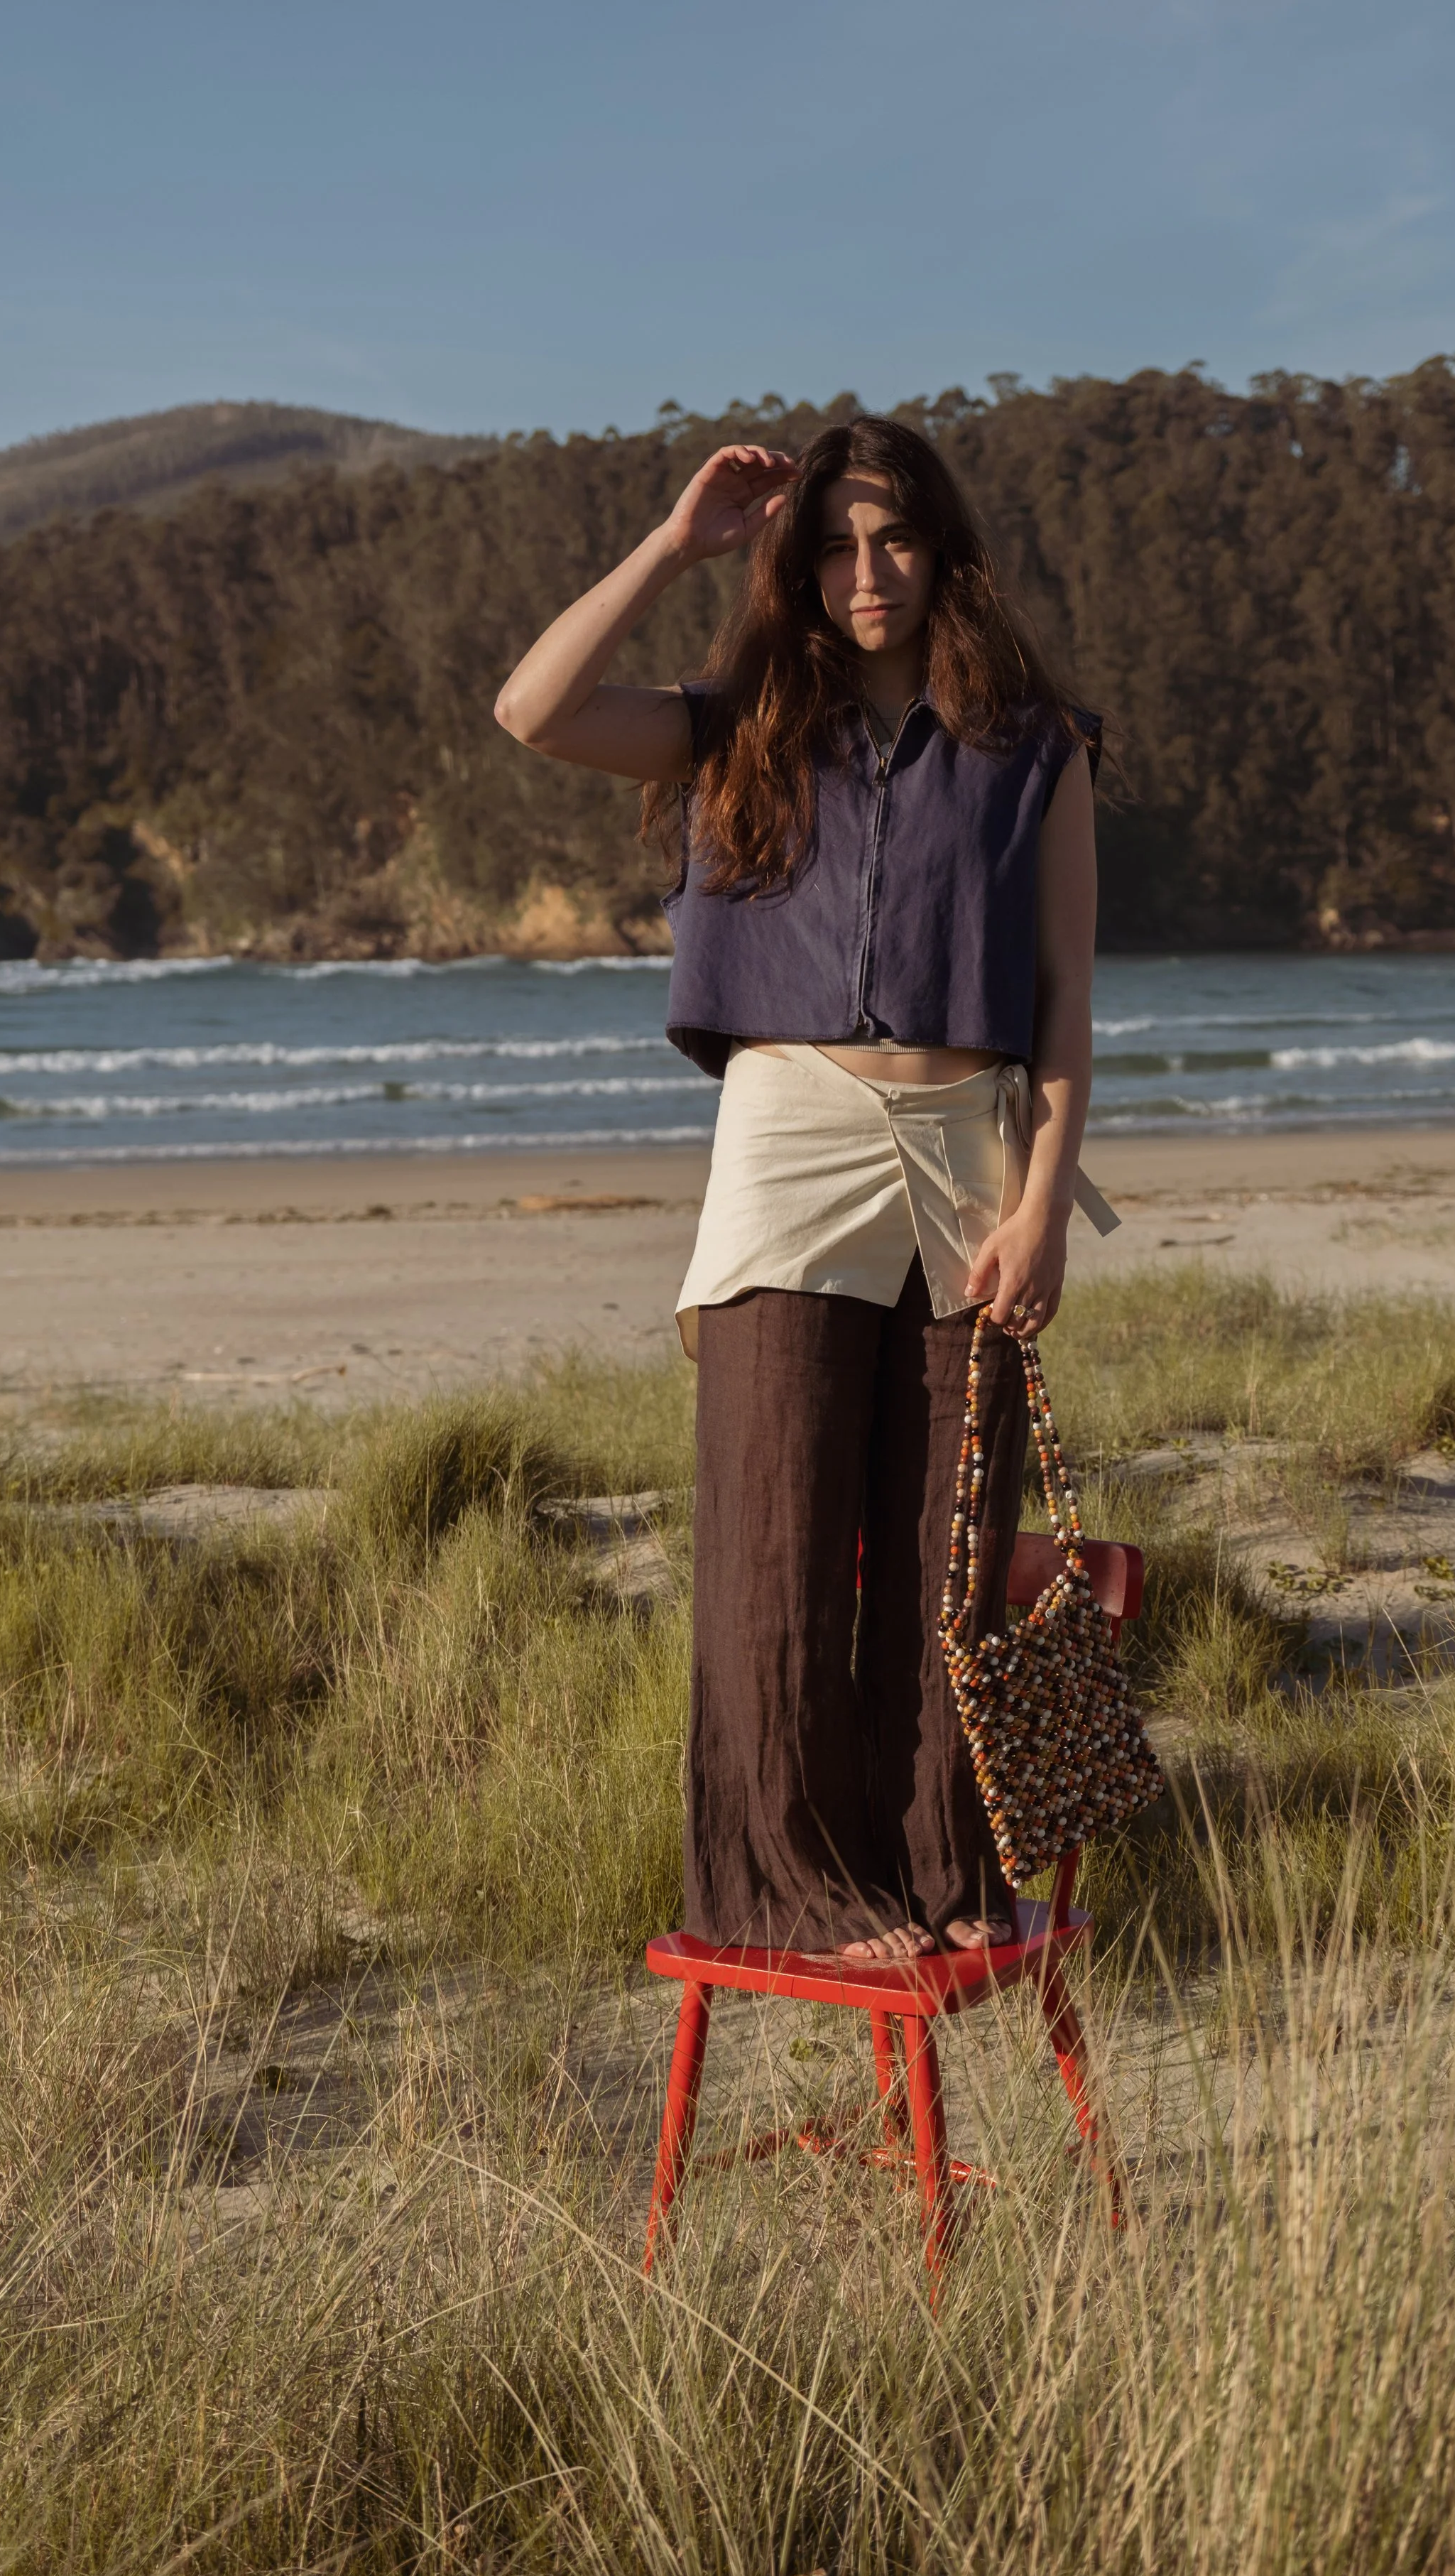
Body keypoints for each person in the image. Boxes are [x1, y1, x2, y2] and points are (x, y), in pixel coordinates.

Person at [494, 415, 1114, 1963]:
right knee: (773, 1537)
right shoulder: (740, 724)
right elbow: (532, 708)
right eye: (833, 545)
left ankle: (940, 1873)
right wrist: (674, 542)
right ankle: (786, 1885)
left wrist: (1044, 1203)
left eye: (892, 537)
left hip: (972, 1152)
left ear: (943, 548)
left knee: (951, 1546)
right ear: (797, 568)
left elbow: (1062, 997)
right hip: (789, 1148)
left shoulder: (1035, 749)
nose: (865, 571)